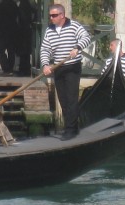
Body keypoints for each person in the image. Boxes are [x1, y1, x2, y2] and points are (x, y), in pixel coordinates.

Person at [39, 4, 91, 141]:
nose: (51, 18)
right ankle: (73, 126)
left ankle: (70, 129)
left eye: (54, 15)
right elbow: (45, 49)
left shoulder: (74, 25)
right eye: (50, 15)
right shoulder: (49, 30)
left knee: (71, 98)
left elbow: (86, 37)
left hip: (73, 66)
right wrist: (45, 65)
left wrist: (77, 47)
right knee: (63, 99)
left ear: (62, 15)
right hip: (59, 68)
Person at [0, 0, 19, 76]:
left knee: (0, 51)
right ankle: (10, 68)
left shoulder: (0, 5)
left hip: (2, 32)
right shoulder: (14, 5)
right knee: (11, 51)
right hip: (12, 31)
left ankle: (6, 68)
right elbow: (17, 16)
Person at [15, 0, 36, 76]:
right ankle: (26, 69)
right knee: (25, 53)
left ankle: (23, 69)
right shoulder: (29, 6)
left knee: (22, 52)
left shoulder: (22, 6)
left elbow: (20, 18)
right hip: (27, 30)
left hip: (22, 31)